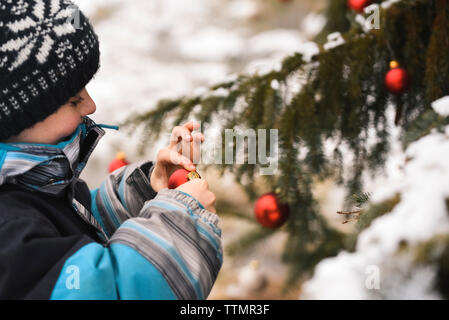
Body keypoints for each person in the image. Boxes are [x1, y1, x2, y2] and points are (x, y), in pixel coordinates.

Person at [0, 0, 222, 299]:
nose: (91, 106)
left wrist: (145, 193)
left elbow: (72, 231)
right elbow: (107, 290)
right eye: (73, 100)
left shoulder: (27, 182)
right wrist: (180, 220)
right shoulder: (10, 233)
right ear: (18, 118)